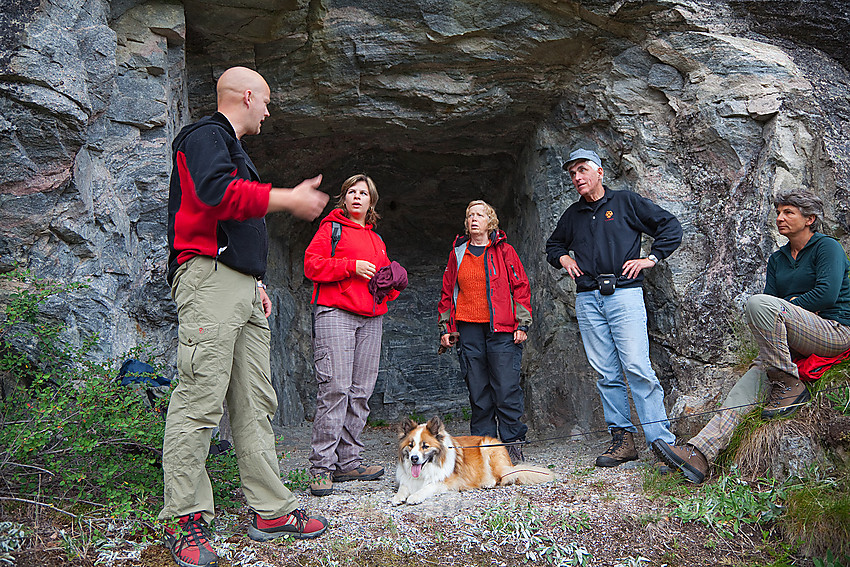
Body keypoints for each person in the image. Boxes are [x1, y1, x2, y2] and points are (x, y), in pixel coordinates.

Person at [162, 66, 330, 567]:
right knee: (199, 400)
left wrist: (253, 280)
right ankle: (185, 518)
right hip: (208, 280)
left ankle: (270, 510)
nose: (269, 111)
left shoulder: (229, 146)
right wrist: (290, 198)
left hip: (236, 284)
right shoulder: (204, 136)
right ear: (249, 96)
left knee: (255, 402)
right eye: (267, 102)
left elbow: (229, 222)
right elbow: (217, 194)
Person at [653, 189, 850, 483]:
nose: (780, 218)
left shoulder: (827, 247)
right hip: (796, 334)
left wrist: (789, 306)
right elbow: (771, 304)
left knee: (758, 303)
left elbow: (826, 294)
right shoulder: (778, 259)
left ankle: (788, 383)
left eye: (788, 212)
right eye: (778, 212)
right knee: (745, 389)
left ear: (810, 219)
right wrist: (786, 310)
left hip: (833, 331)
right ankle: (698, 455)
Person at [545, 148, 682, 468]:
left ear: (599, 172)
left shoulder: (625, 203)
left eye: (582, 170)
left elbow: (670, 226)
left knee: (637, 367)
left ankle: (662, 443)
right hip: (588, 298)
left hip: (624, 294)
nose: (577, 177)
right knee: (606, 374)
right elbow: (553, 245)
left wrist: (651, 259)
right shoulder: (572, 215)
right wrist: (563, 257)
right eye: (572, 173)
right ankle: (623, 441)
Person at [304, 174, 403, 497]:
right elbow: (312, 265)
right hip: (335, 312)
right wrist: (350, 266)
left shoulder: (377, 239)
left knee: (361, 391)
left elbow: (384, 279)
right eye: (352, 192)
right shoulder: (330, 229)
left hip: (371, 318)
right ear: (344, 198)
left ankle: (349, 461)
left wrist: (393, 284)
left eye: (364, 193)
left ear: (371, 202)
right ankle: (321, 467)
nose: (357, 197)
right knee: (335, 388)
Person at [438, 200, 532, 464]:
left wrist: (522, 323)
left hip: (502, 330)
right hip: (469, 331)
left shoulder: (504, 251)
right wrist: (446, 327)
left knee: (506, 389)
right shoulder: (457, 253)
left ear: (491, 222)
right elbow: (448, 292)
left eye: (480, 214)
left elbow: (520, 287)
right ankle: (484, 450)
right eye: (470, 215)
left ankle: (513, 445)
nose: (474, 219)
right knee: (478, 393)